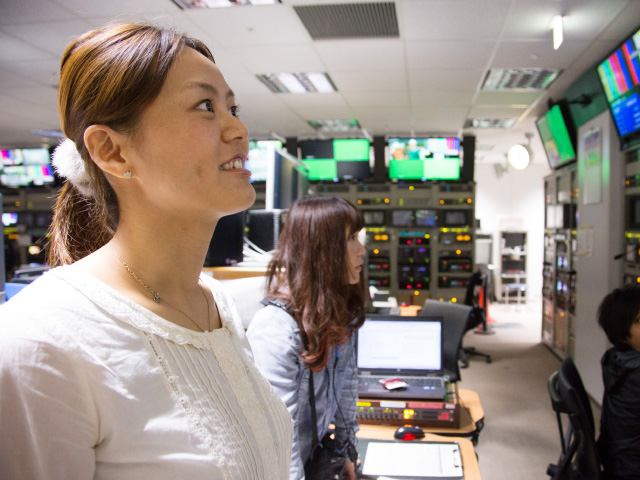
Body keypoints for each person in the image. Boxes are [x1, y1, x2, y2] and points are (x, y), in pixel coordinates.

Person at [0, 22, 293, 479]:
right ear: (112, 151)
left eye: (232, 107)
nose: (239, 129)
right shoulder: (40, 341)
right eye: (205, 106)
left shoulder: (214, 303)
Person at [246, 195, 367, 480]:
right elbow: (279, 441)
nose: (362, 251)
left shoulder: (339, 313)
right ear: (322, 250)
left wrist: (346, 452)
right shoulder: (276, 329)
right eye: (351, 239)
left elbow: (347, 386)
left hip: (315, 460)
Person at [596, 286, 640, 479]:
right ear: (623, 334)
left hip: (618, 459)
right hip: (632, 466)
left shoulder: (616, 358)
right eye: (639, 321)